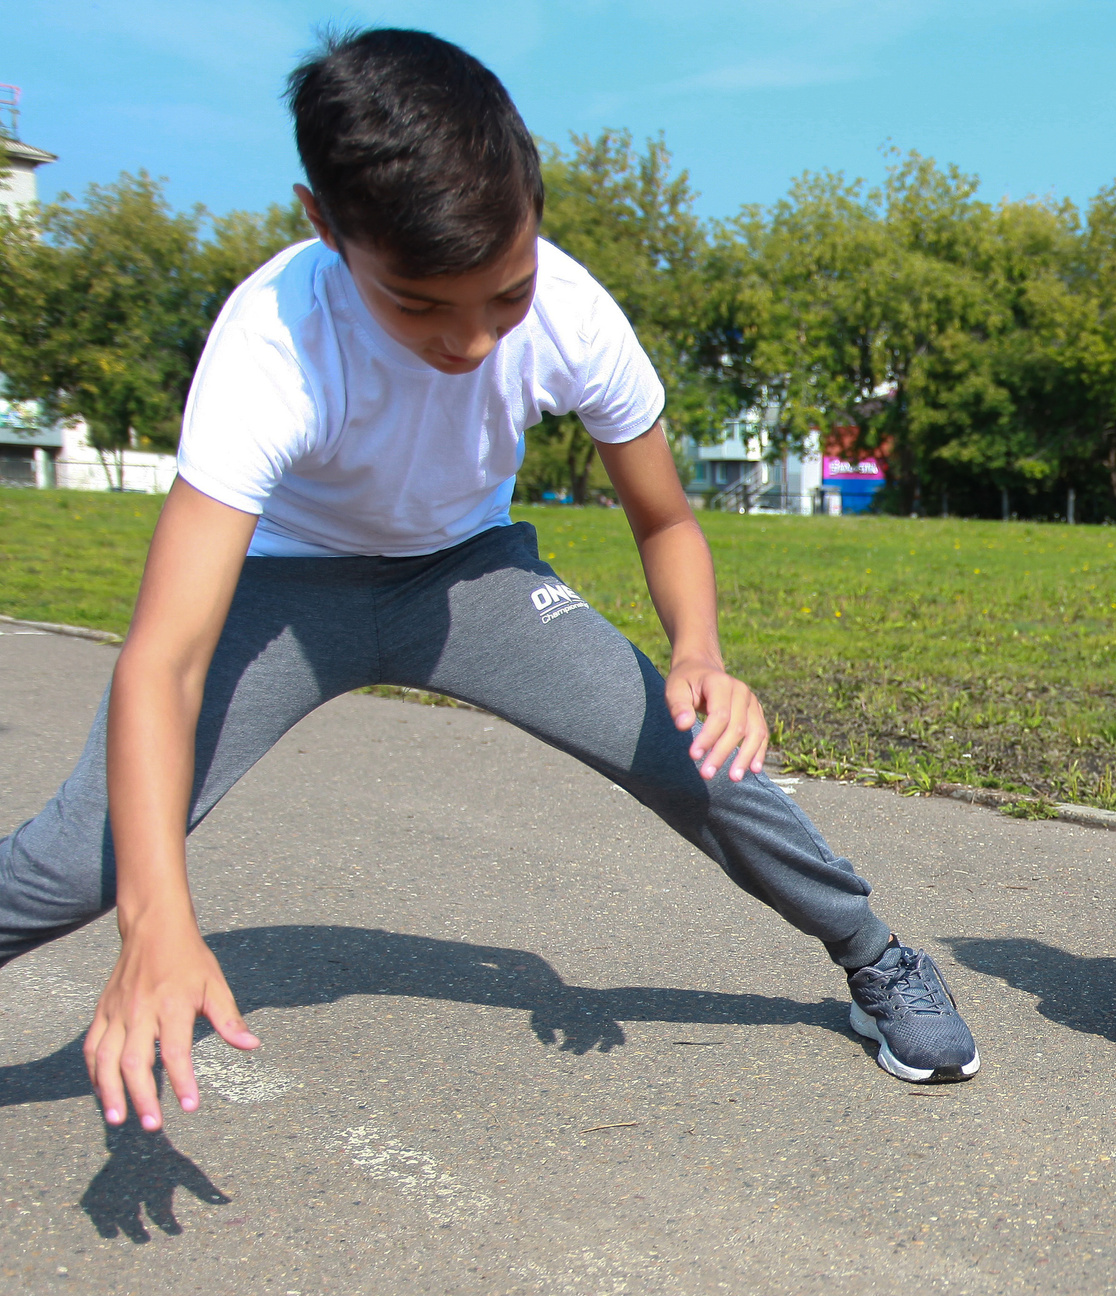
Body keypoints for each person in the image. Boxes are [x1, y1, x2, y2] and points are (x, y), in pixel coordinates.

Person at [0, 28, 982, 1128]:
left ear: (534, 216)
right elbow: (162, 663)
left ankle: (876, 955)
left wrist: (699, 652)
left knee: (694, 757)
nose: (471, 341)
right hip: (286, 592)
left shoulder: (570, 312)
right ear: (325, 227)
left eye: (501, 297)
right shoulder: (273, 343)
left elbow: (664, 520)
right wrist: (155, 921)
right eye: (420, 305)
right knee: (83, 863)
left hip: (466, 580)